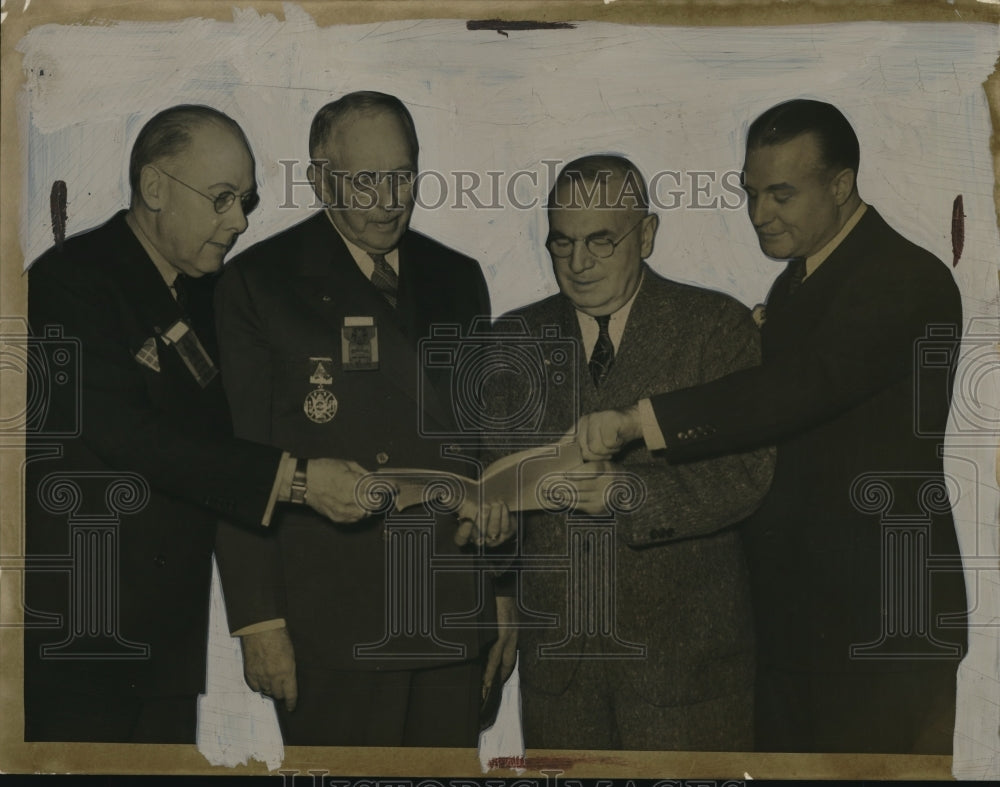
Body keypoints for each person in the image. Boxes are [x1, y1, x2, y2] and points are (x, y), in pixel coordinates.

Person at [574, 100, 968, 753]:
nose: (759, 214)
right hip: (796, 626)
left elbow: (799, 388)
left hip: (884, 628)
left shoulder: (906, 277)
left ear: (840, 185)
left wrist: (639, 420)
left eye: (781, 195)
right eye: (750, 193)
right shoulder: (795, 285)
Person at [24, 104, 370, 743]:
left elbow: (245, 428)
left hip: (165, 647)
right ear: (155, 188)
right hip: (76, 646)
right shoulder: (67, 283)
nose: (239, 221)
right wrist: (299, 480)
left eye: (245, 201)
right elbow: (132, 436)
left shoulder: (206, 295)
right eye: (221, 199)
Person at [212, 91, 494, 746]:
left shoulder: (458, 277)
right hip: (335, 622)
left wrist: (502, 593)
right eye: (365, 180)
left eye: (402, 176)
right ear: (320, 180)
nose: (388, 200)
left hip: (451, 608)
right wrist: (258, 623)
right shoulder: (259, 282)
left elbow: (484, 447)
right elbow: (236, 463)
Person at [478, 155, 773, 750]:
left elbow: (749, 475)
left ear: (646, 235)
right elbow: (492, 484)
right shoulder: (511, 340)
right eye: (562, 243)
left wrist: (628, 493)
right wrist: (488, 533)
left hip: (689, 673)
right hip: (560, 678)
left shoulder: (717, 327)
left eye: (601, 241)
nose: (578, 263)